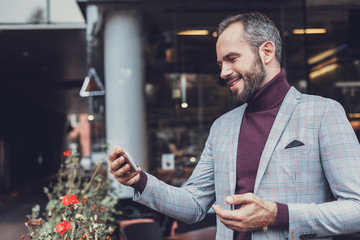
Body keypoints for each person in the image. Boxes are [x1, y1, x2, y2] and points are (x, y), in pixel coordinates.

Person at [108, 12, 360, 240]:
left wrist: (276, 214)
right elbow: (194, 204)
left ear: (267, 52)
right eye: (220, 64)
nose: (223, 72)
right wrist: (139, 181)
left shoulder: (323, 112)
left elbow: (356, 208)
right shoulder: (222, 127)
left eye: (232, 58)